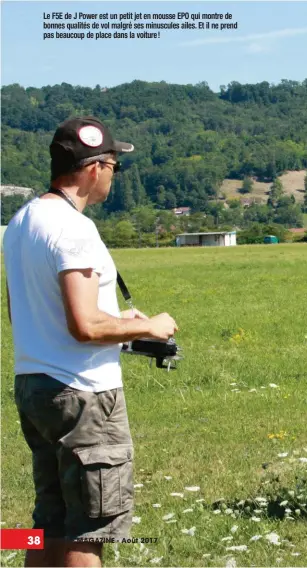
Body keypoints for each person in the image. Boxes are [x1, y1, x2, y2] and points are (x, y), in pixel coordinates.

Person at [3, 116, 179, 567]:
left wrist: (114, 318)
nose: (114, 178)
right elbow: (84, 326)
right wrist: (147, 326)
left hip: (35, 384)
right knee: (91, 529)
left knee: (47, 525)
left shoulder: (22, 221)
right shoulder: (74, 228)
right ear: (96, 167)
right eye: (115, 168)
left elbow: (30, 310)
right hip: (81, 394)